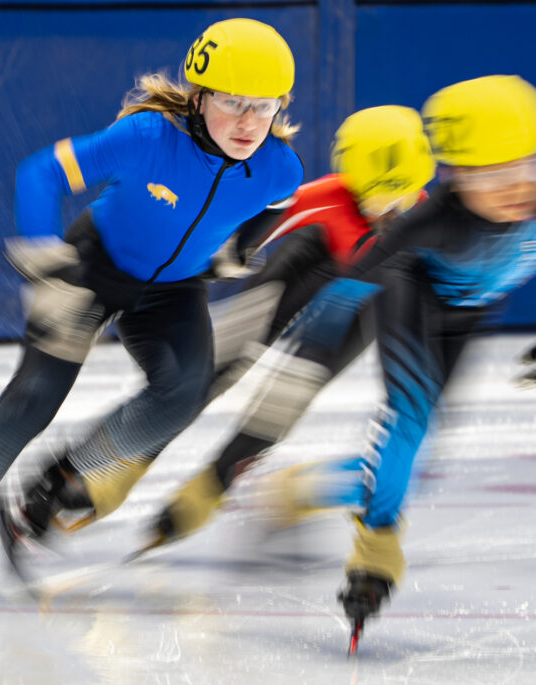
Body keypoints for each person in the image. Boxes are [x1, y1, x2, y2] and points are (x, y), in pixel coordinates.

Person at [146, 75, 536, 640]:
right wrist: (303, 342)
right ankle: (375, 553)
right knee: (406, 421)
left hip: (468, 318)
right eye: (496, 174)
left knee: (414, 466)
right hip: (411, 296)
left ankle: (297, 491)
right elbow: (358, 277)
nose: (518, 189)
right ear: (455, 175)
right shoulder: (431, 221)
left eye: (532, 166)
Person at [0, 18, 304, 599]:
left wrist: (237, 249)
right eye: (233, 102)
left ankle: (61, 479)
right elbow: (40, 173)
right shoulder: (147, 137)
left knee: (185, 392)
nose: (250, 122)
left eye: (264, 106)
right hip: (92, 270)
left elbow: (280, 201)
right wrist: (47, 265)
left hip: (174, 290)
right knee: (32, 400)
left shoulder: (278, 166)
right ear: (198, 96)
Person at [144, 105, 436, 545]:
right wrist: (216, 257)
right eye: (376, 201)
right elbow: (244, 225)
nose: (389, 217)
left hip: (361, 301)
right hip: (309, 260)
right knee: (222, 355)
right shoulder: (325, 198)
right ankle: (128, 451)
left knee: (292, 390)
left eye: (403, 200)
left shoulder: (436, 226)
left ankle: (213, 483)